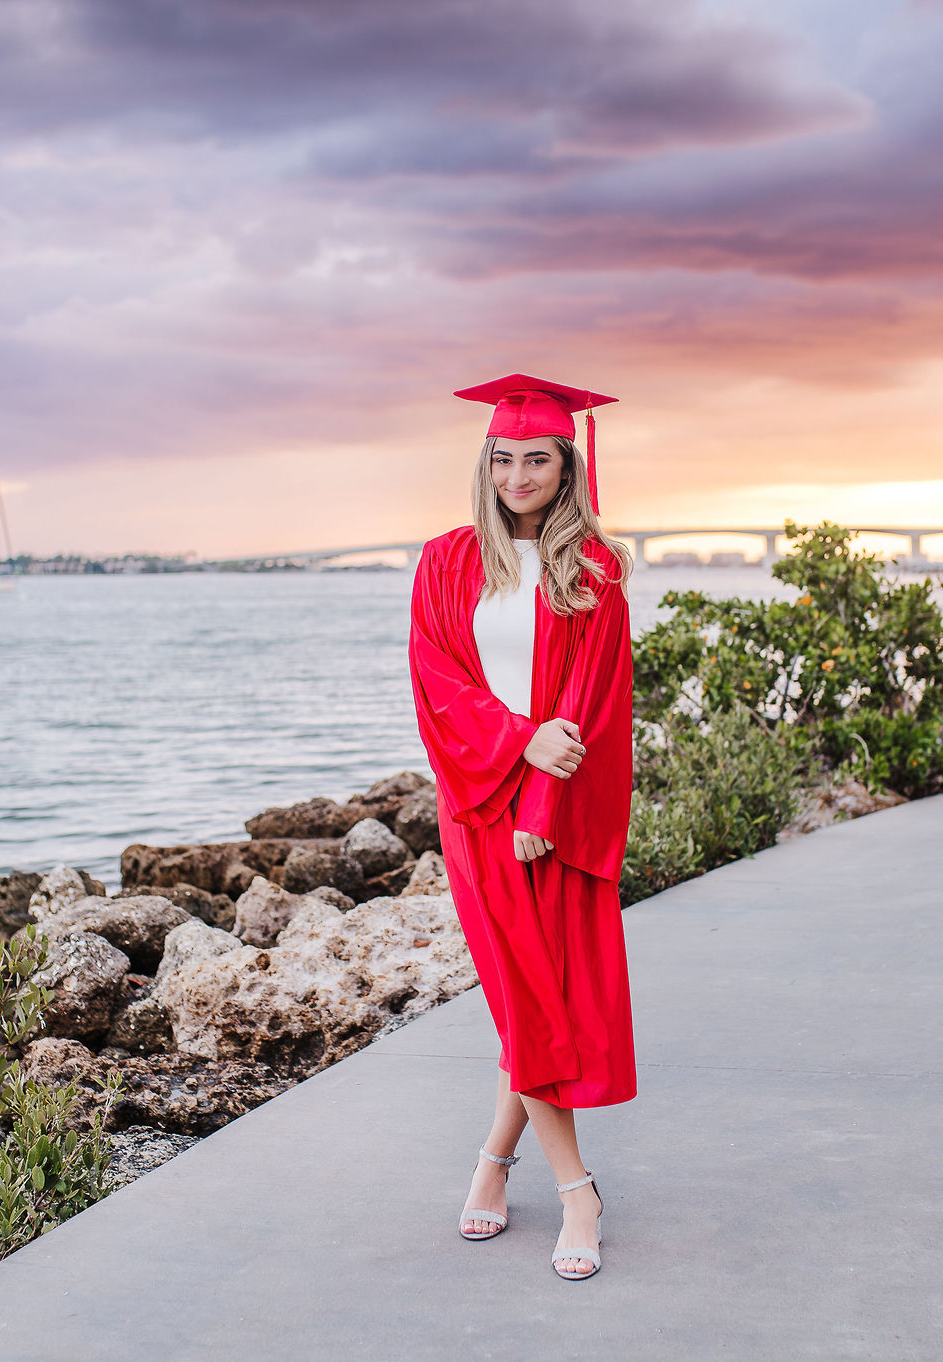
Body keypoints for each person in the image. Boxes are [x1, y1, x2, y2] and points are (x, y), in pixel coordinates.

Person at [407, 373, 637, 1282]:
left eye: (536, 458)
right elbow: (439, 686)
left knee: (537, 1001)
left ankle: (494, 1164)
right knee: (525, 997)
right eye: (503, 459)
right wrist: (517, 752)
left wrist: (544, 806)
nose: (517, 475)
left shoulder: (598, 571)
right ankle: (577, 1188)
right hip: (479, 806)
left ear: (566, 463)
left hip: (552, 816)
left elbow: (594, 704)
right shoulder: (447, 560)